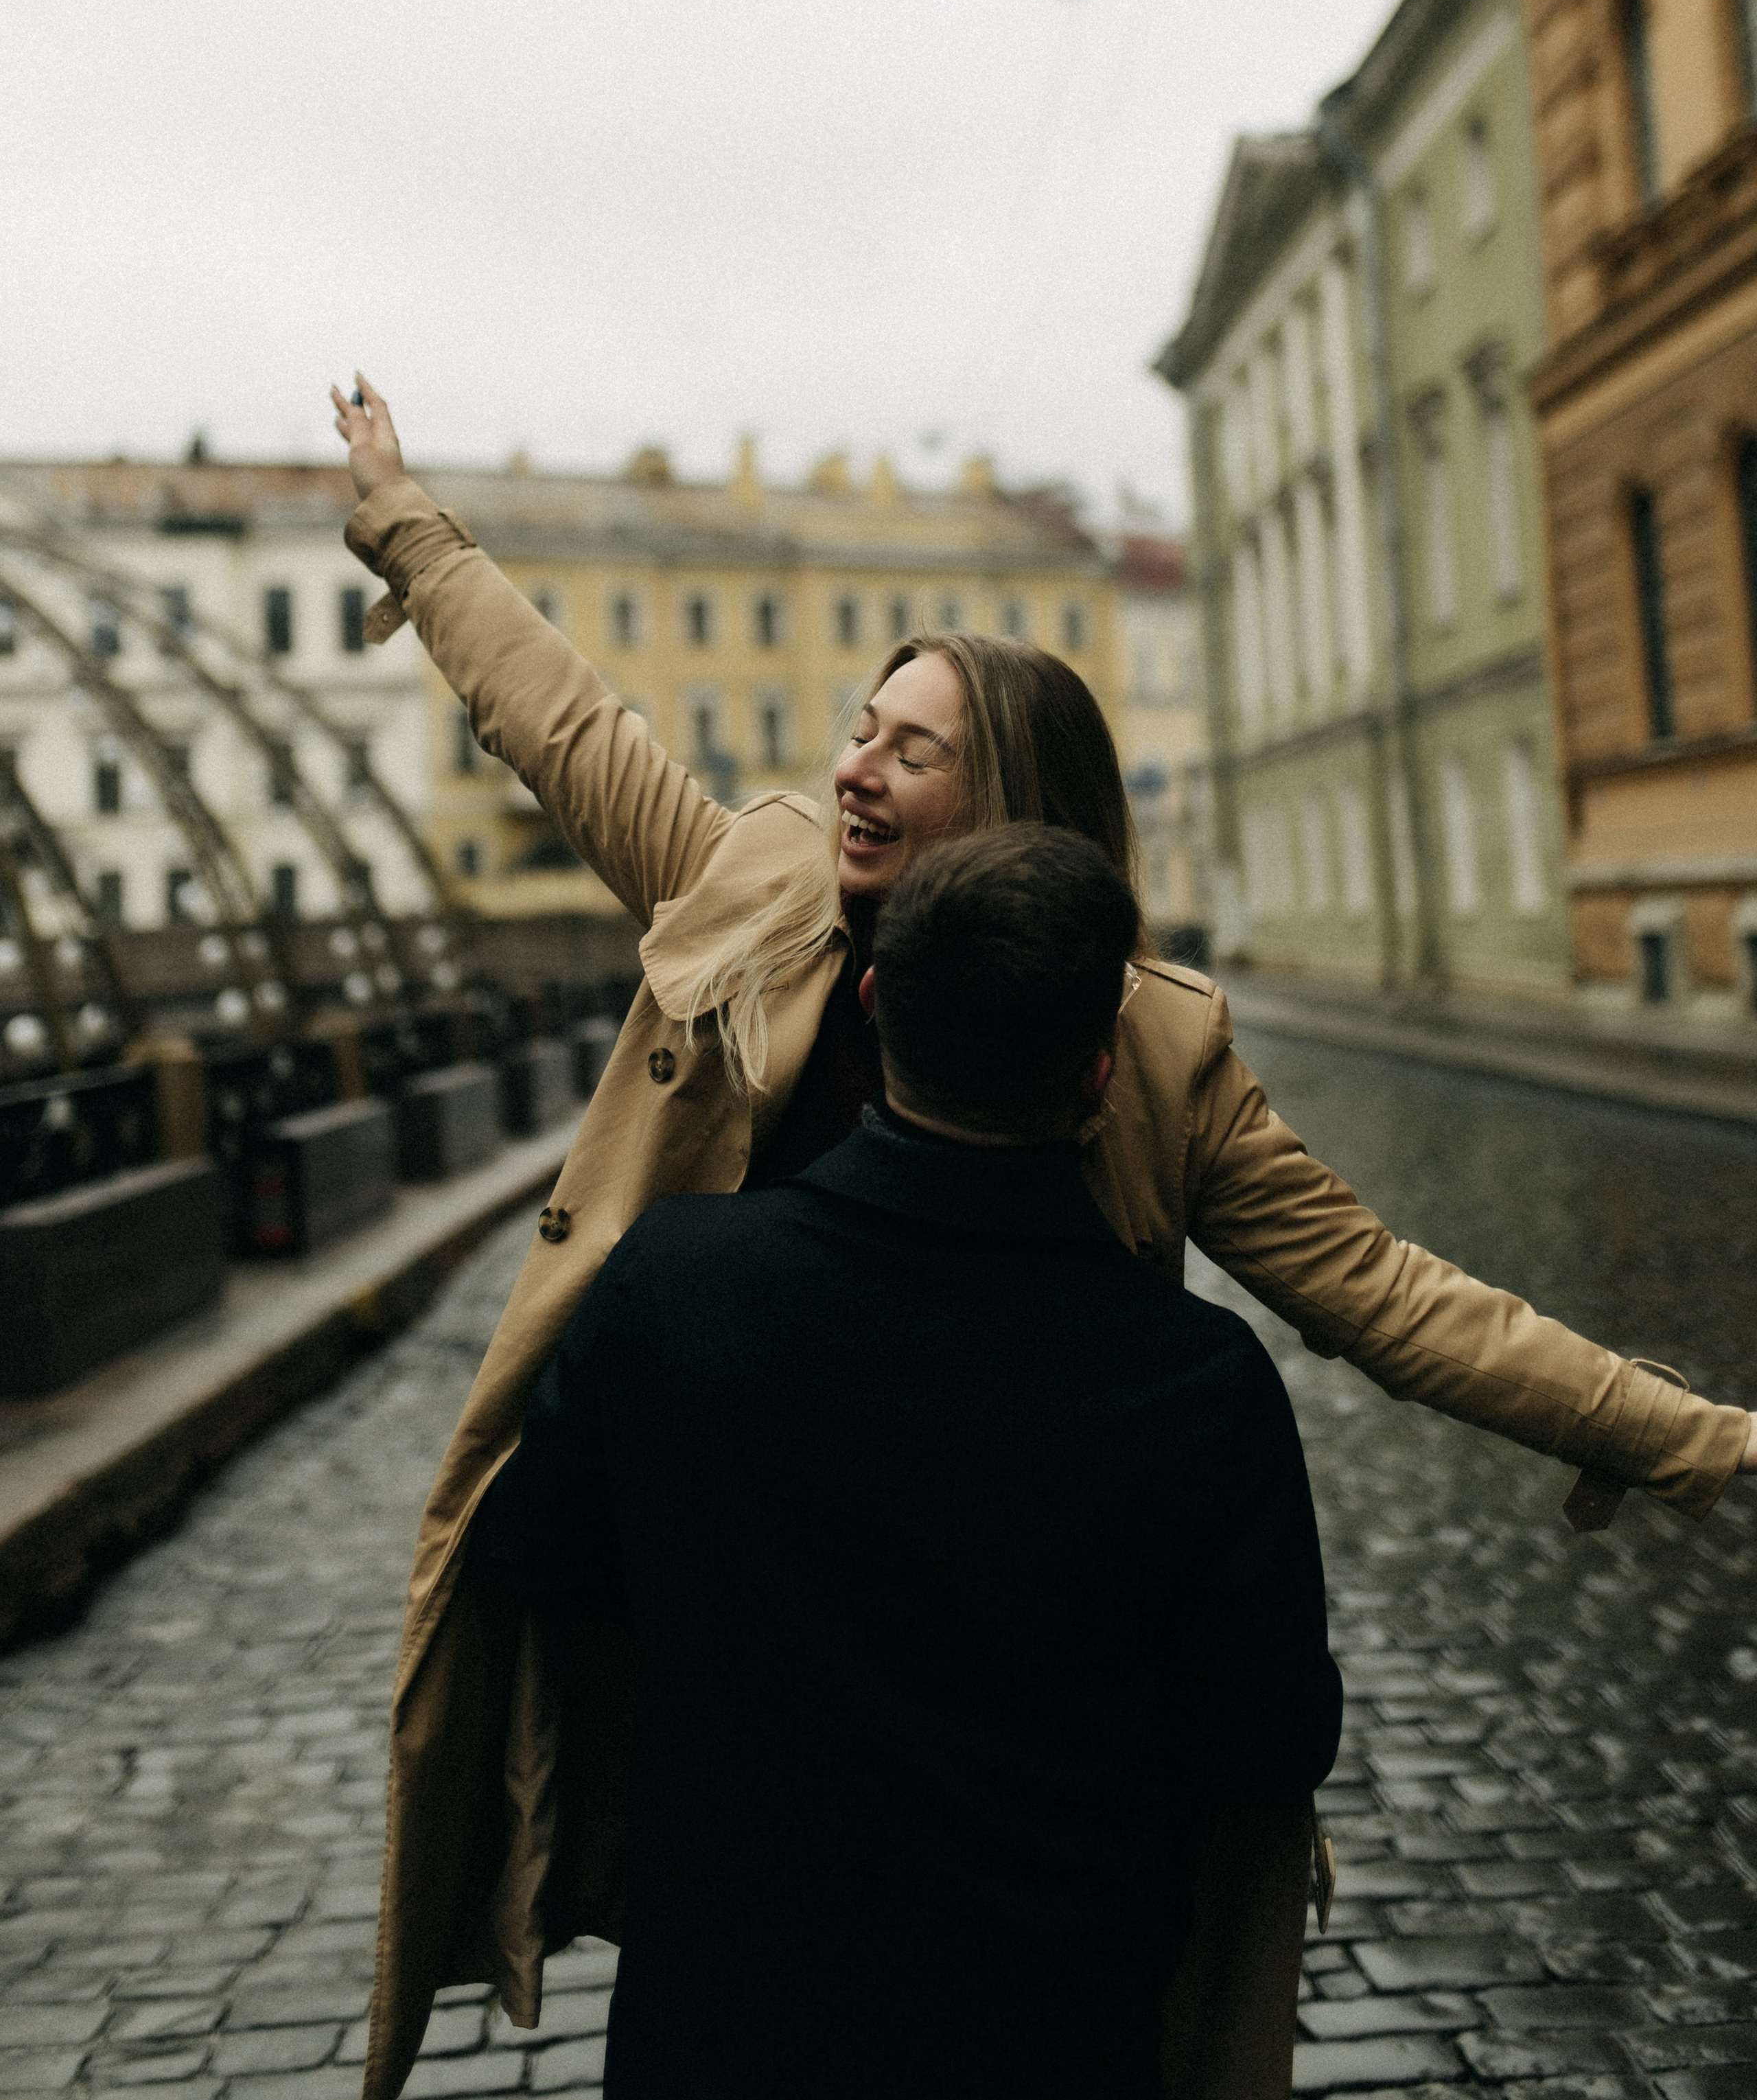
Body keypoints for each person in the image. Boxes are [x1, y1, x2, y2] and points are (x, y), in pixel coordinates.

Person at [327, 375, 1754, 2100]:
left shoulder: (1145, 1040)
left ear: (1006, 802)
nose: (851, 768)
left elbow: (1382, 1291)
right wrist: (408, 525)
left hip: (1002, 1665)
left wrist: (1676, 1430)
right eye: (858, 729)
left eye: (906, 750)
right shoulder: (759, 891)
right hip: (773, 1658)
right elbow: (570, 727)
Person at [473, 825, 1344, 2100]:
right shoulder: (1199, 1385)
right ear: (1099, 1071)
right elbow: (1269, 1739)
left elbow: (535, 1552)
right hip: (1052, 2046)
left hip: (725, 2036)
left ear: (874, 1003)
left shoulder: (673, 1283)